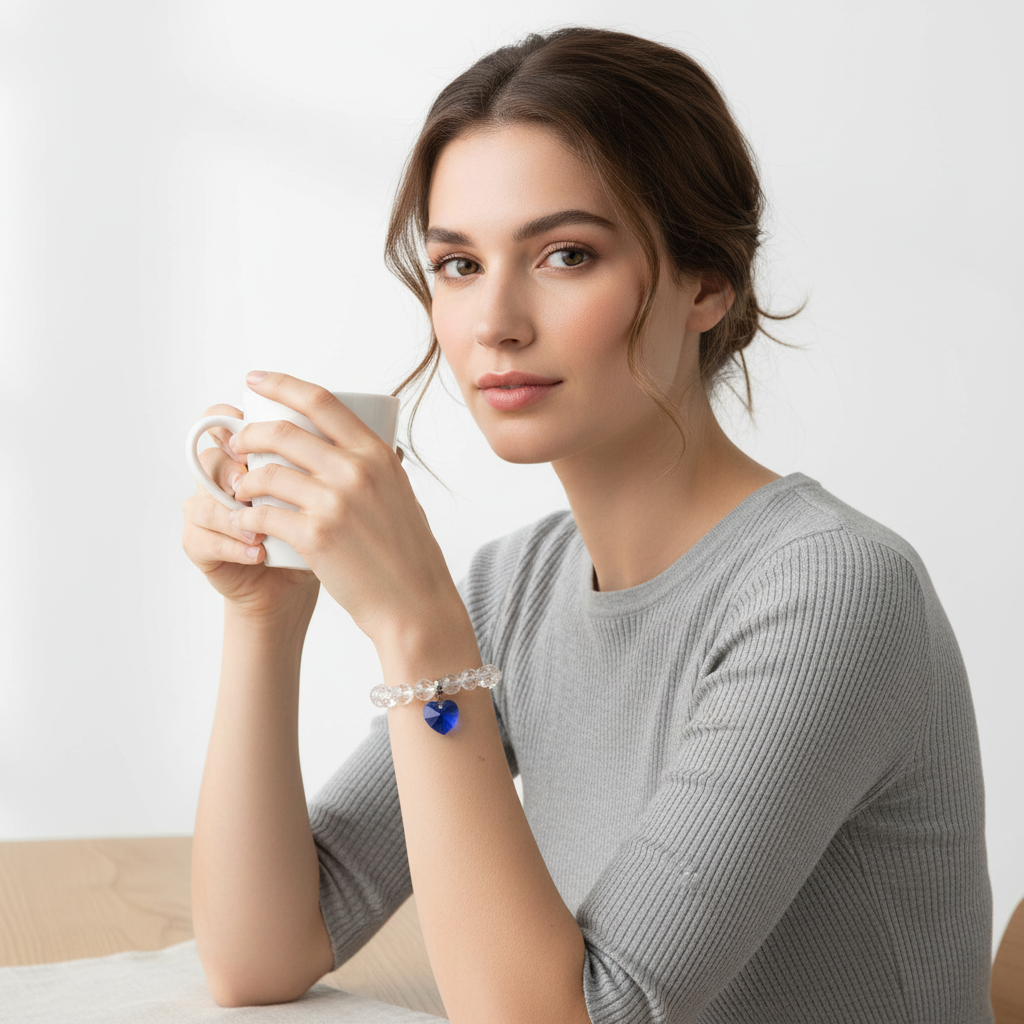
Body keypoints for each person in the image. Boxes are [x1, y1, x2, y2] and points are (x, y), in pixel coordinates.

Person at [180, 26, 995, 1024]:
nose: (494, 323)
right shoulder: (516, 589)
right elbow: (258, 954)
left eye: (565, 255)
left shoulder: (833, 593)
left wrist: (418, 633)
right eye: (457, 265)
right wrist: (266, 615)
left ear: (706, 282)